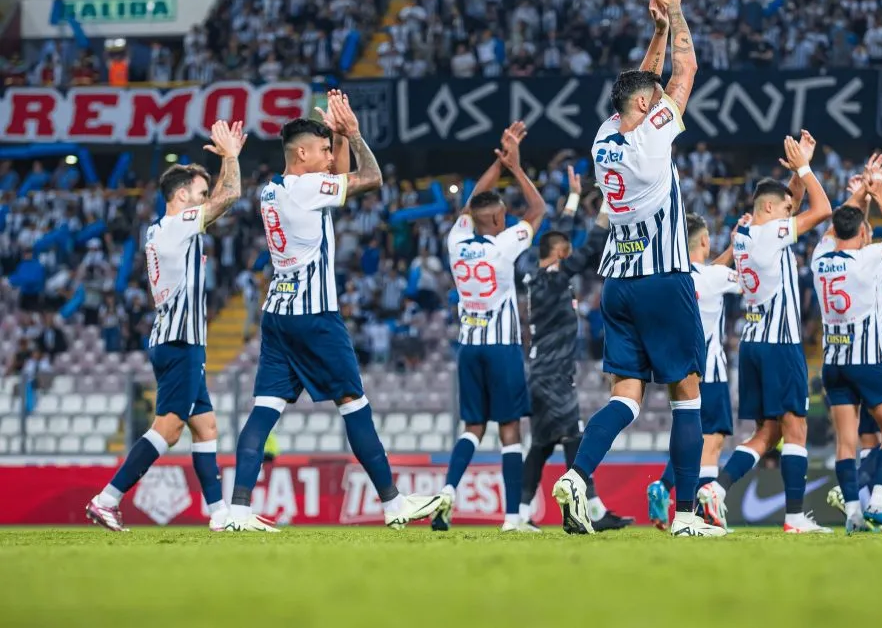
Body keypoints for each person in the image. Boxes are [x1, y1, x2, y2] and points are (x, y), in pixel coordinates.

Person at [551, 0, 723, 537]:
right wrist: (675, 11)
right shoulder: (653, 140)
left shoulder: (605, 137)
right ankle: (685, 516)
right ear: (647, 109)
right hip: (663, 279)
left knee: (625, 397)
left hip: (617, 284)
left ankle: (577, 477)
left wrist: (652, 33)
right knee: (686, 395)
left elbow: (644, 79)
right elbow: (686, 69)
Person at [226, 90, 443, 532]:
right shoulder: (308, 187)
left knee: (265, 409)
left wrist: (338, 139)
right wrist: (356, 135)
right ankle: (393, 503)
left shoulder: (273, 190)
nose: (329, 157)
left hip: (278, 313)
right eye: (322, 151)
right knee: (354, 404)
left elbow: (339, 181)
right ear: (300, 153)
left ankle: (237, 510)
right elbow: (371, 178)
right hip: (315, 317)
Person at [86, 121, 246, 532]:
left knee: (205, 425)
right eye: (199, 193)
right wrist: (230, 156)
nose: (205, 199)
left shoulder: (162, 230)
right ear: (181, 197)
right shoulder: (176, 227)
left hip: (177, 339)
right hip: (180, 341)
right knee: (169, 429)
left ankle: (219, 514)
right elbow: (232, 195)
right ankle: (107, 498)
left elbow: (222, 197)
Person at [698, 132, 833, 534]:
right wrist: (806, 169)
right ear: (771, 210)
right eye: (786, 211)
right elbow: (822, 208)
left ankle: (717, 490)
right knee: (796, 427)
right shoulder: (770, 234)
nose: (791, 214)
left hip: (753, 343)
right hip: (780, 343)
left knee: (767, 431)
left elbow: (788, 203)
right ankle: (793, 518)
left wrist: (794, 173)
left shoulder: (743, 234)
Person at [432, 121, 547, 533]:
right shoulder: (504, 245)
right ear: (498, 219)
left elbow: (470, 205)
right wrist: (514, 168)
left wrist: (495, 164)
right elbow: (538, 211)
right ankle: (513, 518)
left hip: (469, 347)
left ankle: (447, 490)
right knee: (510, 428)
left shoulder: (455, 241)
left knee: (472, 428)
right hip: (502, 348)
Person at [518, 171, 631, 532]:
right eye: (565, 249)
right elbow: (587, 251)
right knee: (573, 437)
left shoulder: (541, 277)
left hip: (544, 372)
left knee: (543, 444)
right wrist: (607, 210)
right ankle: (589, 511)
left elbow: (563, 239)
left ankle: (521, 514)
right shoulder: (552, 277)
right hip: (551, 375)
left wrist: (572, 197)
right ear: (559, 254)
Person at [812, 165, 882, 534]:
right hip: (868, 362)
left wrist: (859, 195)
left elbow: (835, 227)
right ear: (862, 233)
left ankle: (854, 515)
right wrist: (881, 195)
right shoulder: (868, 259)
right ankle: (879, 503)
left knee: (846, 443)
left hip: (833, 364)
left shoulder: (819, 258)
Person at [646, 212, 744, 530]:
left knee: (691, 437)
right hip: (711, 370)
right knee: (711, 441)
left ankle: (663, 486)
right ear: (705, 241)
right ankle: (705, 511)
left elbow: (711, 271)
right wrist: (742, 247)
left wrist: (730, 248)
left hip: (679, 369)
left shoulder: (674, 275)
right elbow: (744, 282)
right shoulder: (716, 277)